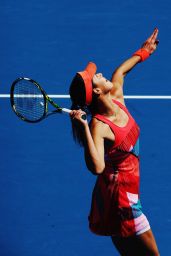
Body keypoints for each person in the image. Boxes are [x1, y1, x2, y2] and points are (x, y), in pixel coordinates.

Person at [69, 28, 160, 256]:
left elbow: (121, 70)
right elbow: (97, 167)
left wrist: (144, 51)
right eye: (96, 77)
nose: (100, 74)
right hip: (122, 199)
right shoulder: (99, 126)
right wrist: (84, 127)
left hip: (123, 189)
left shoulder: (117, 96)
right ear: (97, 91)